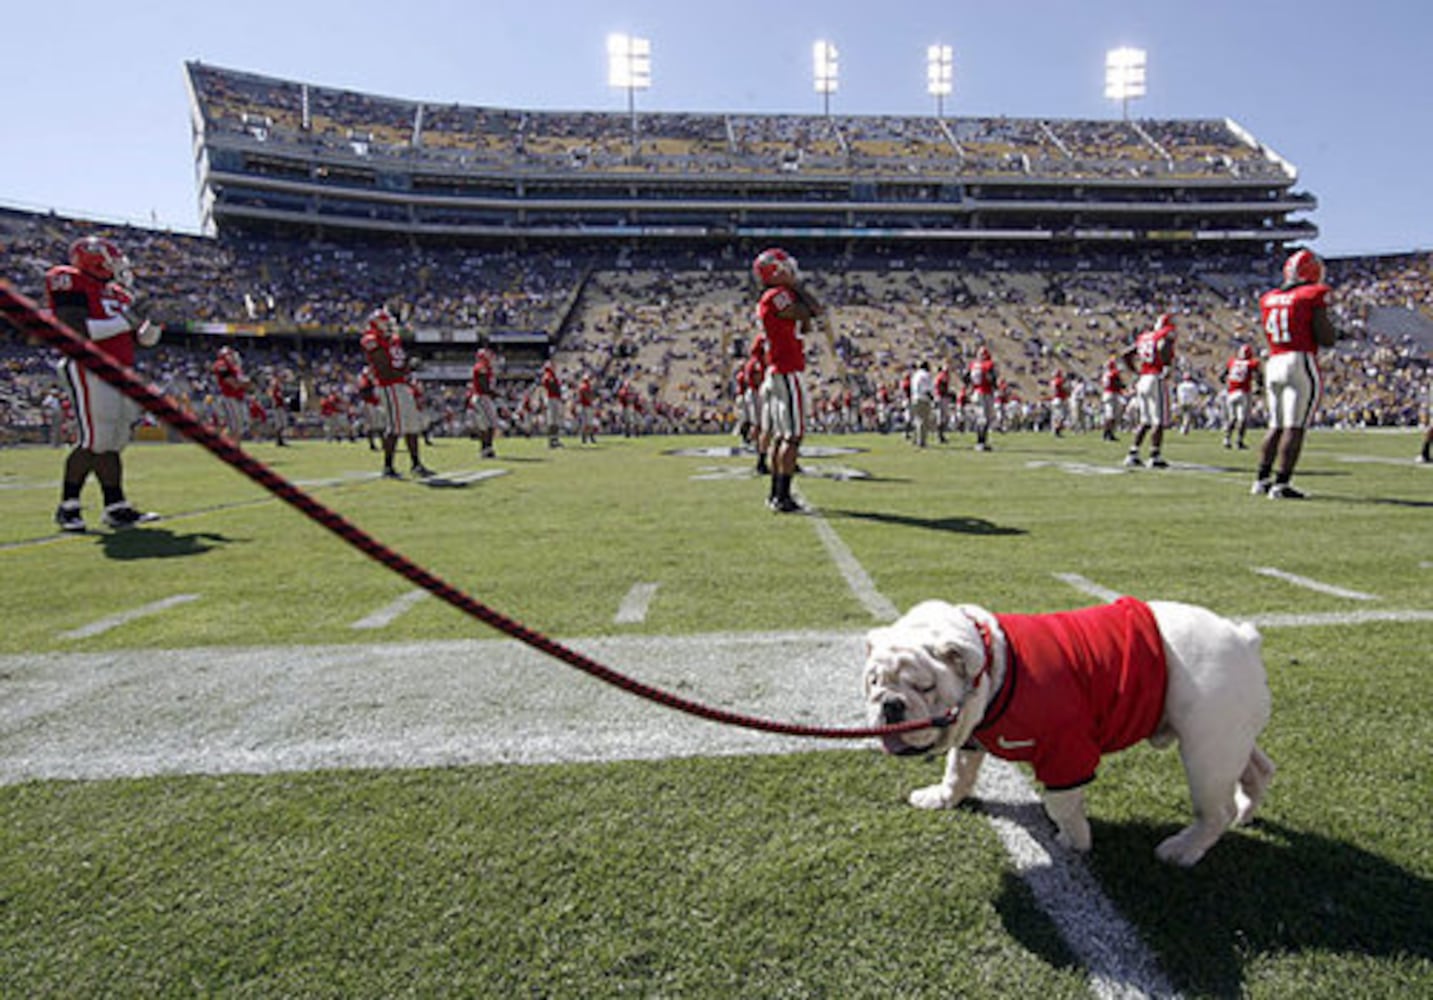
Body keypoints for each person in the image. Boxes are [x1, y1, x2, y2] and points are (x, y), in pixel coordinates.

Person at [45, 235, 160, 531]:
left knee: (113, 442)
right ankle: (68, 506)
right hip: (90, 366)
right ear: (95, 260)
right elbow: (76, 330)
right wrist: (129, 320)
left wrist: (154, 322)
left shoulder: (119, 293)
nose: (120, 267)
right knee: (94, 441)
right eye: (114, 260)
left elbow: (143, 339)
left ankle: (116, 506)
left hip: (122, 370)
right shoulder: (68, 279)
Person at [1252, 249, 1337, 499]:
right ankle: (1281, 484)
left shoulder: (1269, 298)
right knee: (1295, 426)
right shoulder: (1312, 294)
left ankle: (1261, 479)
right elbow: (1325, 337)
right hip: (1299, 359)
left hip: (1274, 360)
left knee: (1275, 425)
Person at [752, 247, 821, 514]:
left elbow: (804, 324)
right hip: (786, 369)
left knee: (783, 437)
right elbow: (811, 311)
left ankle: (776, 494)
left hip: (780, 369)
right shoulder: (777, 295)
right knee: (792, 437)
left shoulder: (774, 296)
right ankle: (782, 497)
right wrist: (797, 287)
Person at [359, 307, 434, 479]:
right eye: (385, 322)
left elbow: (399, 362)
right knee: (395, 427)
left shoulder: (392, 339)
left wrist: (408, 366)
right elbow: (384, 368)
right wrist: (406, 370)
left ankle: (416, 464)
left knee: (412, 426)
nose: (389, 325)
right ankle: (388, 466)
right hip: (389, 386)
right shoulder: (372, 339)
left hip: (400, 385)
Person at [1121, 312, 1177, 469]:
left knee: (1145, 420)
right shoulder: (1163, 336)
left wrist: (1135, 371)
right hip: (1155, 377)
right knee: (1158, 419)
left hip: (1143, 378)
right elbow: (1162, 346)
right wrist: (1165, 366)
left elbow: (1126, 354)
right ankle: (1155, 455)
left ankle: (1133, 453)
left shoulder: (1145, 337)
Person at [1221, 343, 1261, 450]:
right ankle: (1239, 441)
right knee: (1242, 419)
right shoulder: (1251, 363)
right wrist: (1259, 387)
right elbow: (1258, 376)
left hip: (1231, 392)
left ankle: (1227, 439)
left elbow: (1222, 376)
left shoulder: (1232, 362)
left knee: (1232, 418)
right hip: (1243, 392)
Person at [468, 343, 500, 458]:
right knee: (486, 425)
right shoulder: (481, 367)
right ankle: (485, 449)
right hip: (482, 397)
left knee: (490, 424)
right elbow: (484, 385)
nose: (492, 357)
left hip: (485, 397)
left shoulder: (487, 367)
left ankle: (488, 448)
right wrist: (495, 394)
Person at [212, 345, 250, 441]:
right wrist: (245, 383)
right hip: (229, 397)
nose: (234, 357)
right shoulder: (221, 364)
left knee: (238, 426)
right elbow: (232, 382)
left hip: (237, 397)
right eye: (230, 355)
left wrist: (244, 383)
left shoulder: (235, 367)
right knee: (234, 426)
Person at [966, 345, 997, 451]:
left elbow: (965, 377)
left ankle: (981, 442)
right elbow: (992, 378)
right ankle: (981, 442)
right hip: (985, 392)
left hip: (976, 392)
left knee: (981, 418)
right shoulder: (988, 365)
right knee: (985, 419)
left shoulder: (973, 365)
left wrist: (970, 387)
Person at [909, 360, 935, 448]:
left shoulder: (915, 375)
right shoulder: (925, 375)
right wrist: (932, 398)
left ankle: (915, 439)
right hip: (923, 399)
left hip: (914, 398)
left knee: (917, 420)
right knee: (923, 421)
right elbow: (926, 389)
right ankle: (922, 442)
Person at [1099, 356, 1125, 441]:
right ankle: (1108, 433)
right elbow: (1119, 384)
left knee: (1110, 416)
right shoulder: (1113, 373)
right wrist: (1122, 386)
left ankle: (1107, 433)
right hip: (1113, 394)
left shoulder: (1105, 374)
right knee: (1112, 416)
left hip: (1107, 394)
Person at [540, 360, 563, 448]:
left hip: (554, 398)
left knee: (555, 420)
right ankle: (552, 440)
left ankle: (555, 439)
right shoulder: (548, 375)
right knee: (552, 420)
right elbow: (548, 385)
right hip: (551, 398)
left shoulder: (552, 375)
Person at [1175, 370, 1202, 435]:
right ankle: (1184, 429)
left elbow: (1178, 394)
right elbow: (1196, 394)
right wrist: (1196, 401)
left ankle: (1183, 428)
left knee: (1184, 415)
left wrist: (1179, 401)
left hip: (1182, 401)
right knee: (1187, 415)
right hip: (1190, 402)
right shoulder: (1193, 385)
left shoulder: (1180, 385)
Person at [576, 372, 597, 445]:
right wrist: (592, 399)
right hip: (587, 406)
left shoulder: (583, 386)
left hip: (584, 406)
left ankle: (586, 437)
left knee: (586, 423)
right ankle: (588, 437)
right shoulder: (585, 386)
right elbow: (588, 396)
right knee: (588, 423)